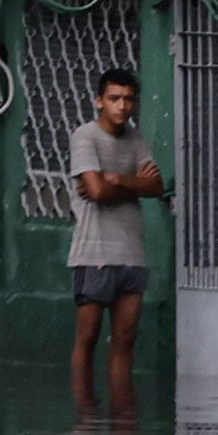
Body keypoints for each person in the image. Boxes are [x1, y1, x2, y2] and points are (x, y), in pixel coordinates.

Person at [68, 68, 163, 411]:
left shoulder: (135, 138)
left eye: (128, 99)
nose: (123, 106)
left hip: (132, 255)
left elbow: (156, 186)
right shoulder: (85, 136)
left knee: (125, 341)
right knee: (88, 339)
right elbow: (95, 190)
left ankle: (124, 426)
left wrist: (118, 181)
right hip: (93, 253)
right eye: (114, 99)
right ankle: (86, 419)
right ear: (99, 101)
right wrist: (124, 183)